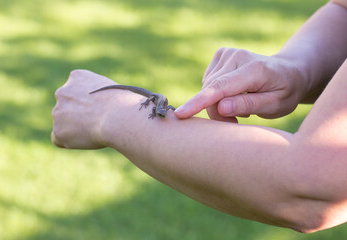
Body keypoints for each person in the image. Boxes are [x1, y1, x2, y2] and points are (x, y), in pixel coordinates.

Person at [52, 0, 347, 233]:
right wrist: (294, 68)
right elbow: (342, 9)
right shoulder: (157, 106)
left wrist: (109, 114)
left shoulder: (159, 109)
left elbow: (310, 189)